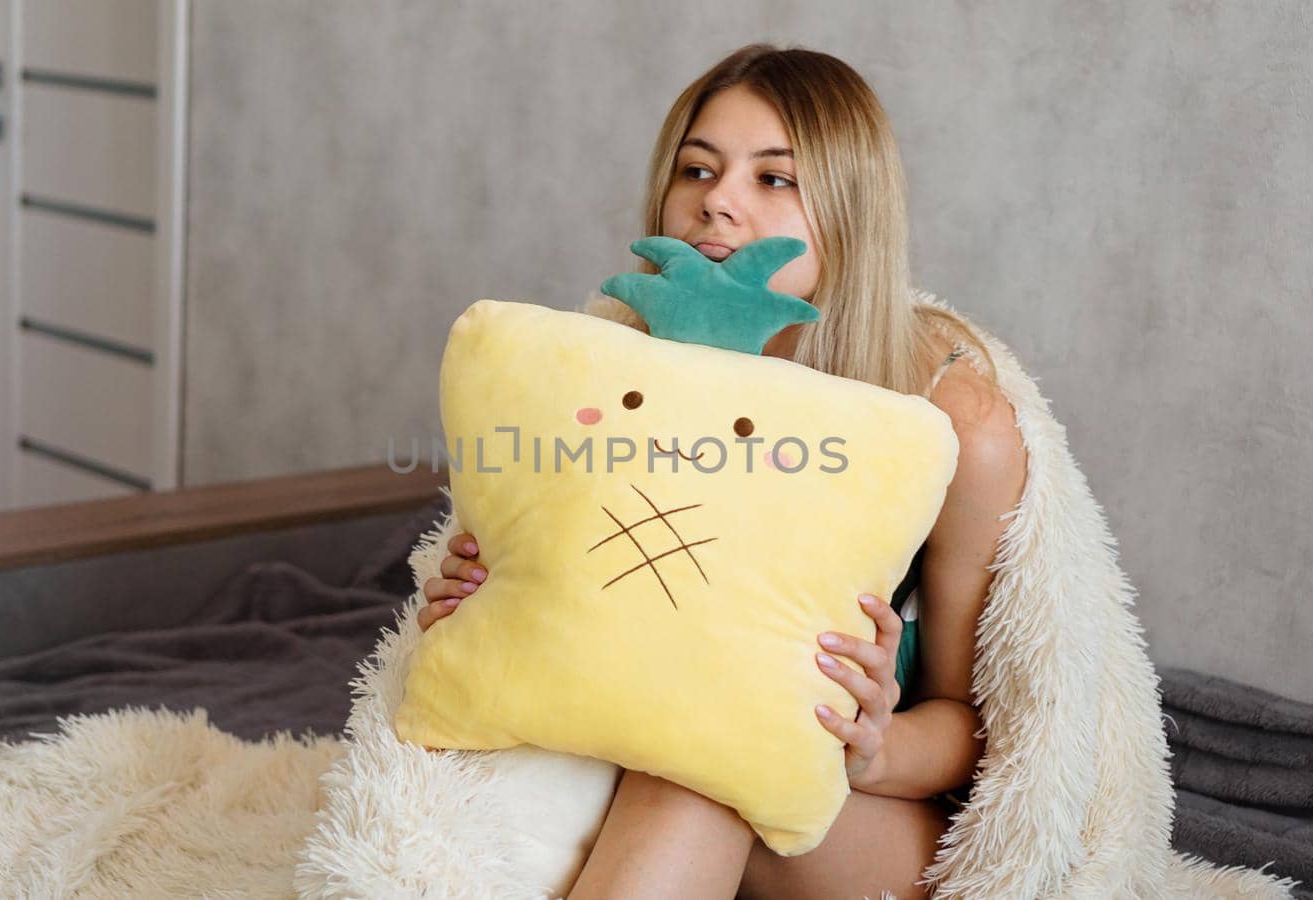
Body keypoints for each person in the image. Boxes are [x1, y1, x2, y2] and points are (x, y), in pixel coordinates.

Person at [418, 43, 1028, 900]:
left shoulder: (950, 417)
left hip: (869, 810)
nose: (719, 202)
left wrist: (876, 742)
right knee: (657, 750)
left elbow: (971, 726)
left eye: (774, 179)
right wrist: (488, 592)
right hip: (657, 744)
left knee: (702, 765)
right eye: (697, 169)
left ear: (849, 211)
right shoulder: (620, 367)